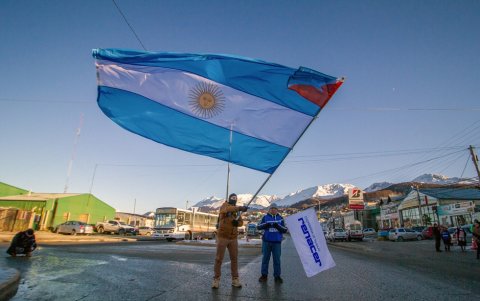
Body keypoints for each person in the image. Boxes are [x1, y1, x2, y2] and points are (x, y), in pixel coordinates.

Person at [211, 193, 248, 289]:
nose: (234, 199)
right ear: (229, 199)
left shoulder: (236, 211)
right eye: (232, 197)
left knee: (234, 259)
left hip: (233, 238)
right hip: (222, 236)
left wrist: (237, 223)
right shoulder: (224, 205)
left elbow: (241, 222)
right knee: (219, 259)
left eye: (235, 198)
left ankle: (235, 279)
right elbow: (227, 209)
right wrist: (240, 208)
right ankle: (216, 279)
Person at [257, 204, 288, 283]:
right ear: (269, 209)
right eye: (271, 208)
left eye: (275, 208)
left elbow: (285, 229)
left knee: (277, 260)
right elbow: (259, 226)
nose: (273, 210)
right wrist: (266, 224)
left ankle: (277, 276)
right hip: (266, 242)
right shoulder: (265, 217)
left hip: (277, 243)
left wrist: (277, 226)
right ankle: (264, 275)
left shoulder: (280, 218)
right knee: (265, 259)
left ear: (277, 210)